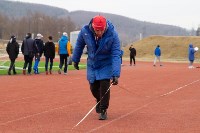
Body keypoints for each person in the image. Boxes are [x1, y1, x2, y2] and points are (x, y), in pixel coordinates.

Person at [72, 15, 121, 120]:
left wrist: (116, 74)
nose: (99, 33)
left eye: (101, 30)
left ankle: (103, 110)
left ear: (105, 27)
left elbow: (116, 54)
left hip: (106, 63)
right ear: (92, 27)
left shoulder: (113, 34)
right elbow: (79, 45)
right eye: (96, 30)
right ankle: (99, 100)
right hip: (93, 63)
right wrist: (75, 59)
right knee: (93, 87)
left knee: (104, 85)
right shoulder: (85, 31)